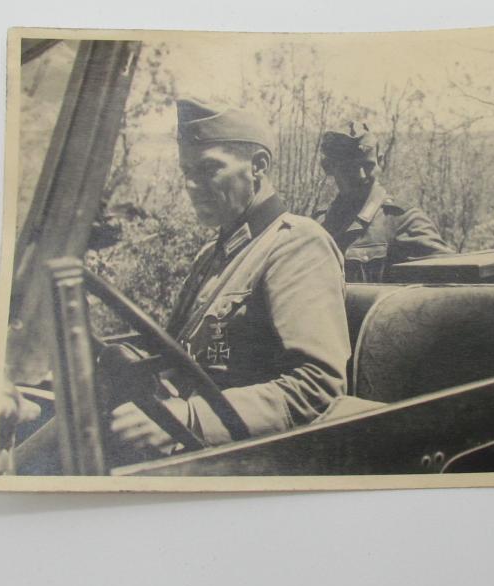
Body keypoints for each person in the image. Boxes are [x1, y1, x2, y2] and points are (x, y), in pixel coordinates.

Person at [109, 99, 351, 452]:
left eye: (208, 169)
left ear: (258, 166)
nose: (191, 185)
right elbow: (181, 354)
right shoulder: (213, 254)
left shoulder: (297, 244)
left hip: (248, 455)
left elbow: (316, 386)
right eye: (186, 172)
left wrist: (189, 419)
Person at [314, 123, 454, 282]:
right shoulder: (320, 224)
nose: (362, 175)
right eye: (350, 168)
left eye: (368, 165)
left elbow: (450, 284)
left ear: (380, 161)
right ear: (328, 168)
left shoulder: (404, 221)